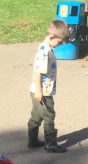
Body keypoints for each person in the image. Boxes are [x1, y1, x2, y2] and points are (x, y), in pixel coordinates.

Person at [27, 19, 69, 152]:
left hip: (40, 90)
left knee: (36, 116)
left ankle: (33, 141)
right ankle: (50, 144)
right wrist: (39, 91)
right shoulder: (44, 52)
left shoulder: (47, 48)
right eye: (59, 42)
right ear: (51, 37)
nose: (59, 44)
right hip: (43, 92)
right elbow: (37, 73)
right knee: (49, 116)